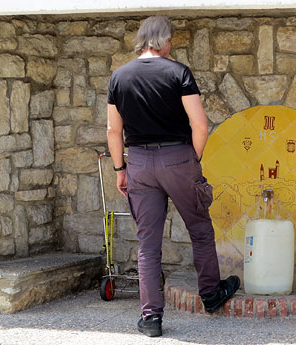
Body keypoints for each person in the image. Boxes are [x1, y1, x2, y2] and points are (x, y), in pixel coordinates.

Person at [106, 16, 240, 337]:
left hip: (137, 162)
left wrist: (119, 169)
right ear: (164, 41)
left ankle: (151, 318)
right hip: (178, 157)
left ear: (141, 40)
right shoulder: (177, 71)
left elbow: (113, 129)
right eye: (171, 41)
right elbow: (200, 125)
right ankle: (210, 294)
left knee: (147, 244)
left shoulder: (119, 76)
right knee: (200, 229)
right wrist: (192, 159)